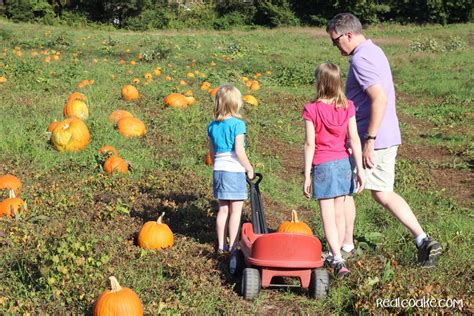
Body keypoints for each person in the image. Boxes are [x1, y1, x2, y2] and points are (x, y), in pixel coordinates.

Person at [326, 13, 442, 267]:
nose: (336, 47)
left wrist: (369, 139)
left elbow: (379, 98)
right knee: (383, 193)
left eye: (336, 41)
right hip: (388, 133)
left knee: (345, 192)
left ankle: (345, 248)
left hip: (373, 137)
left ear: (348, 35)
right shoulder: (374, 50)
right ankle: (423, 240)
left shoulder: (361, 60)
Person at [303, 63, 364, 278]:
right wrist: (360, 170)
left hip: (323, 165)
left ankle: (336, 257)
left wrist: (307, 174)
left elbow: (310, 144)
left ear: (319, 82)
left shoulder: (312, 109)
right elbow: (354, 138)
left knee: (327, 215)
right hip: (343, 164)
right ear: (338, 82)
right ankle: (336, 252)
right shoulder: (348, 106)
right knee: (339, 212)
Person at [207, 84, 254, 259]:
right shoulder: (238, 125)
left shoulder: (212, 126)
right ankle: (233, 246)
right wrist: (249, 168)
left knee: (223, 210)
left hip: (219, 170)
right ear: (236, 104)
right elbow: (239, 152)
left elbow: (212, 153)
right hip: (234, 172)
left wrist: (217, 164)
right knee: (235, 211)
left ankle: (221, 245)